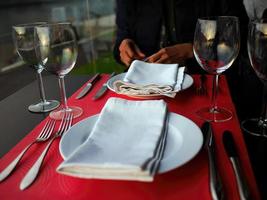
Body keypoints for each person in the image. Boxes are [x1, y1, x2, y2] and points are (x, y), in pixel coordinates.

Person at [113, 0, 249, 74]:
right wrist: (124, 46)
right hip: (143, 83)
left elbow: (239, 37)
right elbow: (122, 36)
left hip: (203, 80)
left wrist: (193, 50)